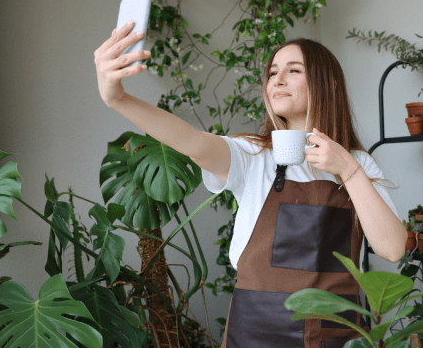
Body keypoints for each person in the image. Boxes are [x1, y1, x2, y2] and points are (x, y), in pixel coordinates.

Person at [95, 20, 407, 348]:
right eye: (272, 73)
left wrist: (348, 169)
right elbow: (192, 142)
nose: (278, 80)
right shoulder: (251, 154)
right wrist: (119, 99)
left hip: (337, 331)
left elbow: (392, 248)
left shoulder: (358, 162)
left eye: (294, 71)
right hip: (258, 327)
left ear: (325, 83)